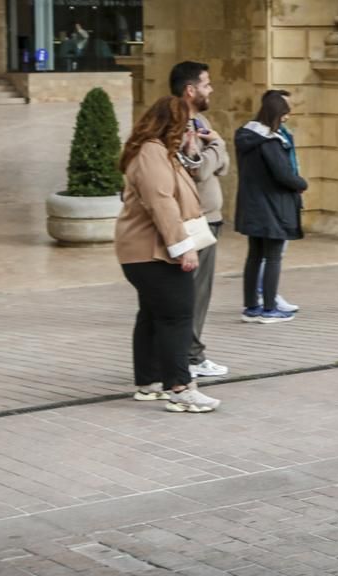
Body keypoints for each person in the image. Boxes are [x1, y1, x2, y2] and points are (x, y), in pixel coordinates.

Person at [115, 95, 220, 413]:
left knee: (152, 315)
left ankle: (148, 384)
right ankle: (180, 388)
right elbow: (161, 201)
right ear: (170, 122)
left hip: (148, 251)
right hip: (153, 251)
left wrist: (189, 152)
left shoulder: (160, 152)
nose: (191, 128)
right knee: (177, 315)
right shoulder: (151, 153)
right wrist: (183, 247)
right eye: (185, 123)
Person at [170, 61, 231, 379]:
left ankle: (191, 354)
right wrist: (217, 145)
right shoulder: (179, 124)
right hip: (195, 221)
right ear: (190, 90)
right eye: (206, 84)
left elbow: (221, 167)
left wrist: (213, 153)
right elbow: (202, 169)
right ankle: (189, 357)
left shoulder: (201, 120)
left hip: (210, 218)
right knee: (192, 293)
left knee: (201, 293)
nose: (211, 89)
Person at [234, 91, 307, 324]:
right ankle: (269, 309)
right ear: (276, 114)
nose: (286, 119)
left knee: (254, 255)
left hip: (251, 205)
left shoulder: (246, 135)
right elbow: (283, 175)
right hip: (272, 208)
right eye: (284, 114)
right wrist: (301, 184)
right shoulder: (270, 141)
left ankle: (251, 307)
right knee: (273, 257)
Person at [255, 89, 301, 314]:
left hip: (287, 197)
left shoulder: (283, 132)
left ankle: (267, 293)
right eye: (285, 108)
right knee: (272, 254)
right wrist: (297, 183)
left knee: (276, 253)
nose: (288, 113)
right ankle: (266, 295)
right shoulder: (266, 136)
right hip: (275, 201)